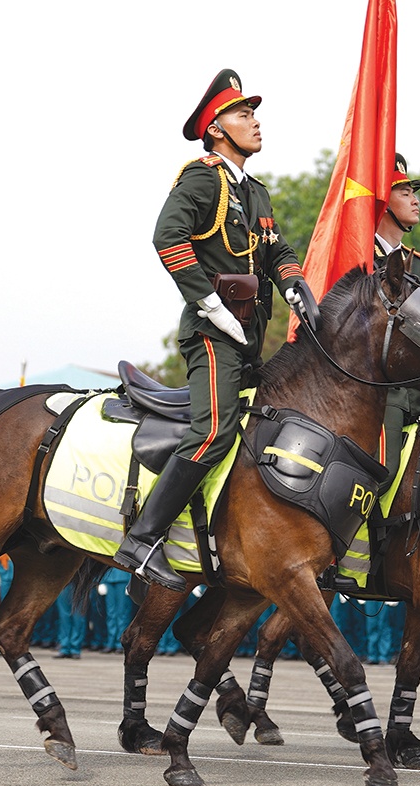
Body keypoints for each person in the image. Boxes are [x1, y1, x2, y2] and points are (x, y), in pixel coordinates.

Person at [114, 68, 314, 591]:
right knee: (213, 430)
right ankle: (141, 538)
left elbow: (277, 251)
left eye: (254, 114)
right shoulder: (203, 177)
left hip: (250, 333)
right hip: (211, 333)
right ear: (217, 128)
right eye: (244, 114)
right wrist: (208, 303)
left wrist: (295, 284)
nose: (256, 122)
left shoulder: (257, 193)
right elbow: (167, 237)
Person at [375, 153, 420, 482]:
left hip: (416, 389)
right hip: (381, 388)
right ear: (383, 201)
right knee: (385, 473)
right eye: (405, 193)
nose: (416, 201)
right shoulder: (361, 253)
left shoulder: (417, 262)